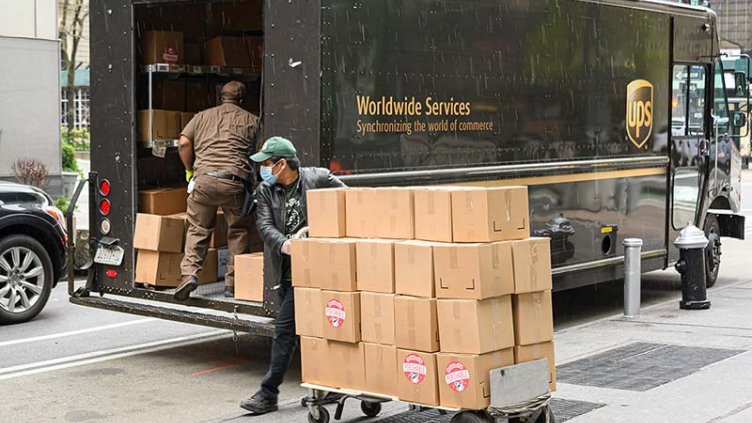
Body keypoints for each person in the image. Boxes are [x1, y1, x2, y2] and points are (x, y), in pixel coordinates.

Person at [240, 136, 346, 415]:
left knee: (285, 331)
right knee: (307, 332)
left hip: (316, 272)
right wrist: (284, 244)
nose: (262, 169)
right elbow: (263, 224)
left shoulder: (319, 179)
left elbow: (350, 202)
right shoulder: (265, 190)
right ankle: (331, 384)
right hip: (286, 272)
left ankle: (268, 392)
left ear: (282, 164)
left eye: (266, 163)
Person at [174, 81, 258, 301]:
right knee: (238, 231)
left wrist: (190, 169)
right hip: (234, 182)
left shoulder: (201, 116)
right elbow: (262, 153)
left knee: (198, 228)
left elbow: (183, 143)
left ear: (221, 96)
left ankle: (190, 275)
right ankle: (233, 283)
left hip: (203, 180)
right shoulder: (252, 120)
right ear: (242, 99)